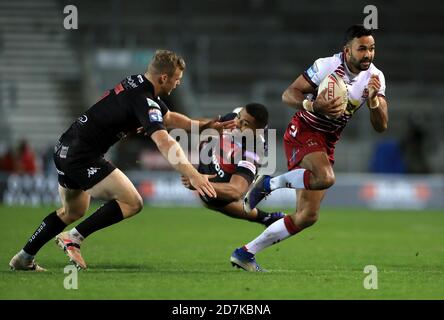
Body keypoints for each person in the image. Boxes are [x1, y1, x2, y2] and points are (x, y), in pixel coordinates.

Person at [9, 49, 235, 271]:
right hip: (83, 156)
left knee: (73, 211)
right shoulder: (144, 100)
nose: (178, 83)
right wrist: (192, 173)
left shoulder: (136, 83)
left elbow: (169, 118)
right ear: (163, 78)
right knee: (132, 202)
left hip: (65, 147)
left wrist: (206, 125)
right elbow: (165, 142)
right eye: (177, 79)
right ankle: (73, 238)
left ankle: (24, 257)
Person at [231, 25, 388, 271]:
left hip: (327, 141)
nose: (368, 54)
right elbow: (288, 94)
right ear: (347, 51)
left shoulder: (375, 78)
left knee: (307, 216)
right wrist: (312, 105)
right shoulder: (326, 66)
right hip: (303, 131)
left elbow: (382, 125)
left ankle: (245, 253)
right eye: (362, 49)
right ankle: (268, 184)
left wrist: (374, 100)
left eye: (372, 49)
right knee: (325, 177)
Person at [181, 103, 285, 226]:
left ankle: (265, 217)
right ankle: (266, 218)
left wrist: (200, 183)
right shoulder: (233, 118)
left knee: (213, 200)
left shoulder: (253, 150)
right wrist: (205, 126)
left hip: (220, 179)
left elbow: (236, 190)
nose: (236, 123)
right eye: (238, 117)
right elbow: (202, 124)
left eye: (245, 124)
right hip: (208, 161)